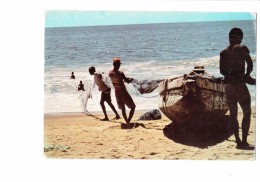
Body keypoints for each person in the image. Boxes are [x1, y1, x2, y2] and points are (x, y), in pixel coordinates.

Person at [219, 27, 254, 149]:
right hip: (240, 86)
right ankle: (244, 141)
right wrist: (247, 75)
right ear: (240, 37)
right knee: (247, 112)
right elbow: (250, 64)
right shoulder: (242, 48)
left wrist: (231, 74)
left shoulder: (223, 52)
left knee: (233, 115)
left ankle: (238, 141)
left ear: (229, 38)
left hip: (228, 87)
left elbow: (222, 71)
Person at [109, 57, 136, 126]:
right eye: (119, 64)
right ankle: (128, 122)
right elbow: (126, 81)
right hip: (123, 92)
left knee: (123, 109)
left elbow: (120, 79)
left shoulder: (110, 73)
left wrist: (126, 79)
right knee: (133, 107)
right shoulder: (120, 73)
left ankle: (127, 121)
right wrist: (132, 79)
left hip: (116, 93)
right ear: (118, 65)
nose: (119, 66)